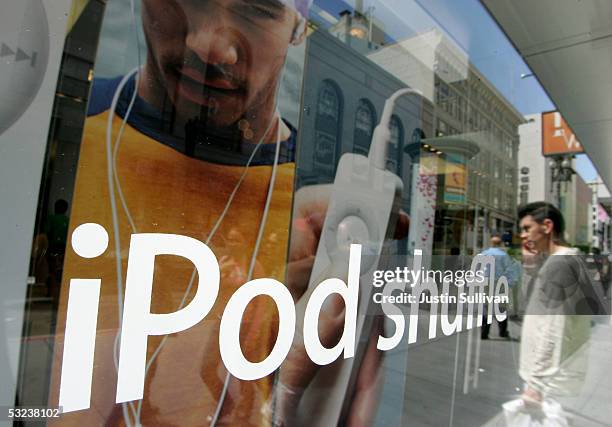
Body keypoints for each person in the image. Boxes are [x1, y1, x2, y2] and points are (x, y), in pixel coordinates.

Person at [49, 1, 402, 426]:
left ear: (299, 27)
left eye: (256, 9)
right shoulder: (61, 130)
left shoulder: (313, 206)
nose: (209, 46)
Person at [517, 202, 592, 406]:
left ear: (547, 226)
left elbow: (553, 327)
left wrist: (536, 384)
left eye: (526, 228)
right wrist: (532, 266)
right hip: (553, 378)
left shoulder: (561, 266)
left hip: (548, 384)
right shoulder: (563, 261)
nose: (522, 235)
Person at [479, 236, 519, 339]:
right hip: (500, 283)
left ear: (491, 243)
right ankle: (502, 331)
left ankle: (484, 332)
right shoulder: (504, 255)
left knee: (486, 307)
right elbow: (510, 270)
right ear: (500, 244)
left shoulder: (484, 254)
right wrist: (509, 283)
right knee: (501, 307)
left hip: (486, 282)